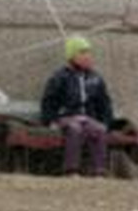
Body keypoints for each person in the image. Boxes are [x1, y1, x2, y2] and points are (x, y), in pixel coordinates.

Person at [41, 36, 114, 177]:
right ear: (72, 56)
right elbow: (49, 100)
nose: (88, 57)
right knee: (75, 129)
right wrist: (50, 121)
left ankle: (99, 171)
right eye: (82, 53)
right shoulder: (60, 77)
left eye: (88, 52)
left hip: (87, 117)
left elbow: (105, 102)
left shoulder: (95, 78)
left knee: (98, 130)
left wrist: (106, 122)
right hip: (66, 117)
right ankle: (71, 170)